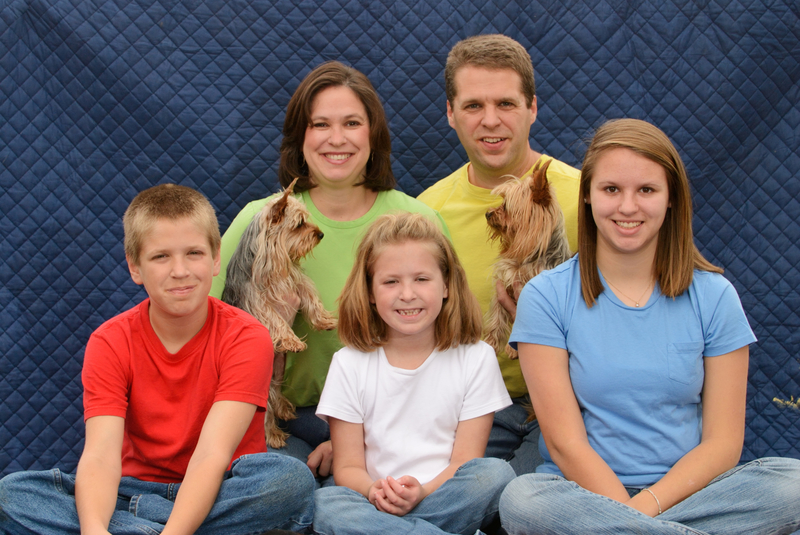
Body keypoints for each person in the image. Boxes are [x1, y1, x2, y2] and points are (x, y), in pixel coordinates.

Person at [500, 119, 800, 534]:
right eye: (611, 190)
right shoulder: (546, 297)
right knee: (522, 500)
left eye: (646, 190)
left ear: (671, 197)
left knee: (793, 486)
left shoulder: (715, 296)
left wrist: (638, 516)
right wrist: (624, 513)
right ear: (586, 196)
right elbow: (567, 446)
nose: (627, 207)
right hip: (581, 497)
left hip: (691, 496)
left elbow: (723, 444)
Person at [0, 184, 314, 534]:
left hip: (224, 484)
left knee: (290, 481)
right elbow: (101, 456)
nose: (179, 271)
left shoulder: (247, 336)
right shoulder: (109, 341)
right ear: (135, 268)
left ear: (215, 260)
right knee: (12, 494)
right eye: (161, 257)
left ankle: (140, 526)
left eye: (193, 253)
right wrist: (93, 530)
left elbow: (213, 454)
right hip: (132, 488)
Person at [209, 61, 447, 481]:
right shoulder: (257, 222)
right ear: (300, 137)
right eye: (321, 124)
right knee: (283, 488)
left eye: (352, 123)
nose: (336, 139)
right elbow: (204, 335)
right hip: (283, 421)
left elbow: (448, 346)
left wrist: (354, 438)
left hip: (396, 420)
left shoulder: (418, 221)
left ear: (372, 134)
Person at [418, 33, 581, 476]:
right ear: (451, 114)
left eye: (506, 104)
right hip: (462, 412)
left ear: (532, 107)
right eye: (473, 106)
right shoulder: (426, 213)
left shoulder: (589, 197)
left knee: (526, 503)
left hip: (574, 406)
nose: (491, 121)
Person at [313, 212, 515, 535]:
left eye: (422, 279)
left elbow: (465, 462)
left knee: (495, 475)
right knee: (328, 505)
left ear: (447, 285)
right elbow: (348, 468)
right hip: (372, 504)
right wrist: (373, 490)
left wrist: (421, 492)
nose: (407, 294)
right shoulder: (348, 363)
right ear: (369, 291)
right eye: (391, 281)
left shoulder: (477, 358)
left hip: (442, 496)